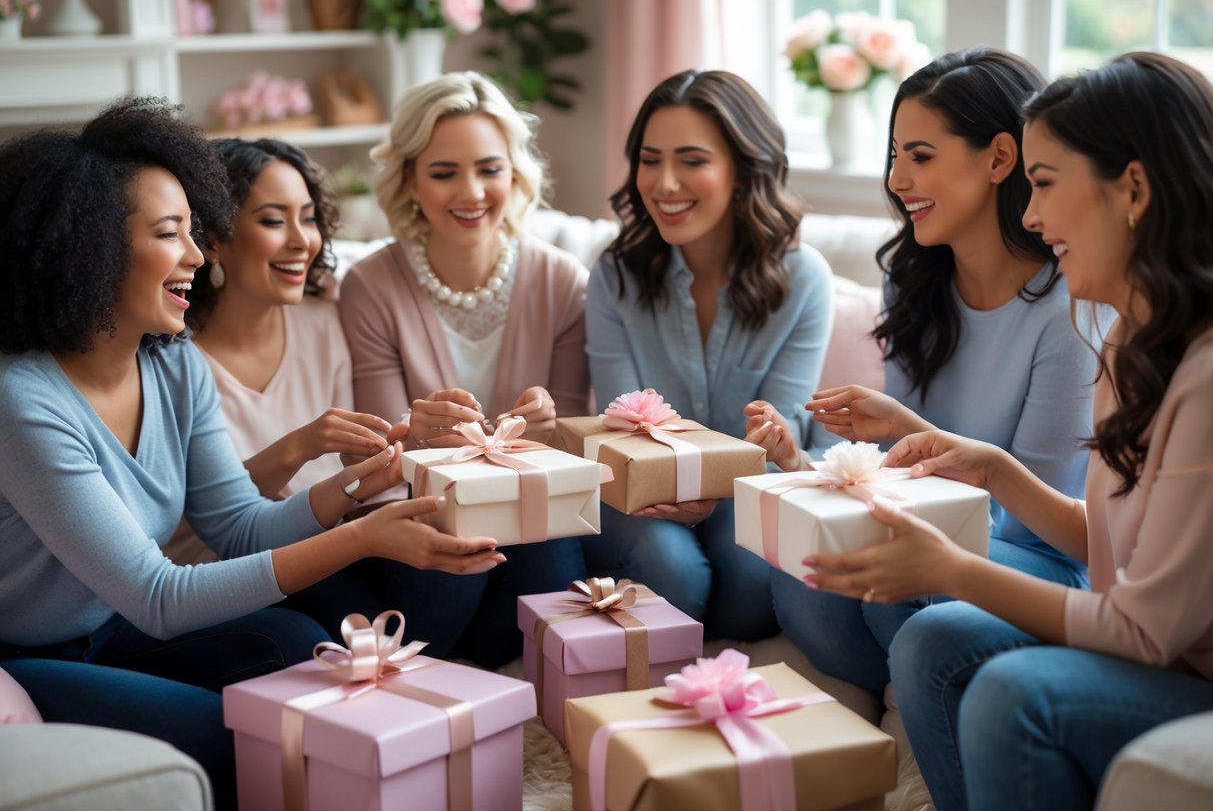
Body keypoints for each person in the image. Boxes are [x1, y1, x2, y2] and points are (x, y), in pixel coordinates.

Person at [0, 98, 502, 809]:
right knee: (221, 734)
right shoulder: (25, 401)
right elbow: (160, 596)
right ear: (94, 248)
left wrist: (361, 485)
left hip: (119, 631)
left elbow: (235, 525)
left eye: (193, 233)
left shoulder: (174, 364)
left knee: (301, 646)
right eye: (171, 235)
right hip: (34, 655)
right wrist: (362, 537)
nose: (198, 257)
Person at [806, 52, 1213, 811]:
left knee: (1010, 691)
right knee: (923, 636)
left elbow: (1143, 635)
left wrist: (953, 571)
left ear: (1132, 189)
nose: (1029, 215)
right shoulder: (1128, 340)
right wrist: (990, 467)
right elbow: (1105, 547)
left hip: (1177, 669)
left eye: (1046, 185)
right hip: (1157, 649)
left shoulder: (1198, 372)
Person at [747, 48, 1099, 696]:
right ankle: (901, 698)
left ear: (998, 158)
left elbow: (1034, 523)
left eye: (920, 155)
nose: (897, 178)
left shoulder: (1068, 308)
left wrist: (905, 431)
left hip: (1040, 562)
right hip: (930, 525)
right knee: (804, 565)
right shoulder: (909, 282)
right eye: (893, 154)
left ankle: (917, 697)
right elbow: (889, 475)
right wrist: (806, 465)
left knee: (892, 575)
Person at [339, 71, 590, 669]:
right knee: (452, 544)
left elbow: (576, 456)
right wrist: (412, 434)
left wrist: (554, 428)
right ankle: (432, 689)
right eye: (444, 172)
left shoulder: (562, 281)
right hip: (421, 523)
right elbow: (371, 464)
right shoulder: (371, 287)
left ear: (514, 173)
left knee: (550, 551)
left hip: (532, 522)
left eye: (489, 169)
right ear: (409, 180)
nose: (471, 192)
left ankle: (504, 691)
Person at [583, 69, 834, 641]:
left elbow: (778, 434)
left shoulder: (804, 279)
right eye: (650, 160)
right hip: (636, 490)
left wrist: (712, 490)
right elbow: (620, 430)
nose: (665, 183)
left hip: (750, 485)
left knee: (750, 583)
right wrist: (675, 490)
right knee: (671, 571)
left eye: (692, 160)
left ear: (744, 170)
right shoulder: (615, 276)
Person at [178, 138, 392, 635]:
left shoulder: (325, 323)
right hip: (227, 575)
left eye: (309, 218)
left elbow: (355, 473)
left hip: (336, 547)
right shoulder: (171, 359)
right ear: (212, 239)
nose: (302, 241)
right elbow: (206, 521)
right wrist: (300, 445)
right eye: (274, 221)